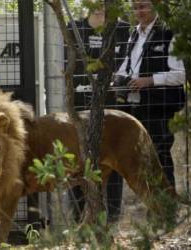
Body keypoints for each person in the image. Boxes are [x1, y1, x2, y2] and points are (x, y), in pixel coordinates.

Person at [65, 3, 129, 220]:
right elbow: (69, 67)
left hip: (112, 108)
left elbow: (125, 67)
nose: (99, 5)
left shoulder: (122, 29)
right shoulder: (73, 28)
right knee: (78, 159)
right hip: (81, 107)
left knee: (112, 159)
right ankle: (79, 217)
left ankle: (112, 218)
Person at [114, 0, 186, 187]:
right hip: (135, 107)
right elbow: (126, 67)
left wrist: (149, 80)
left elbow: (180, 75)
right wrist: (119, 80)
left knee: (160, 156)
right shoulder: (133, 34)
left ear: (156, 6)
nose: (140, 11)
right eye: (136, 7)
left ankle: (167, 208)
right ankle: (154, 206)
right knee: (142, 160)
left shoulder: (169, 33)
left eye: (144, 6)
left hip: (159, 107)